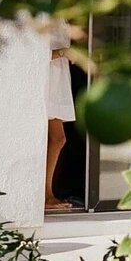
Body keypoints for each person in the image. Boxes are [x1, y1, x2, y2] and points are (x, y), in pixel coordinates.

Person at [45, 18, 77, 211]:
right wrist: (63, 52)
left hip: (57, 80)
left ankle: (46, 195)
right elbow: (28, 57)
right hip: (46, 80)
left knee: (57, 139)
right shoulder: (42, 13)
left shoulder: (61, 15)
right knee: (57, 139)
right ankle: (45, 195)